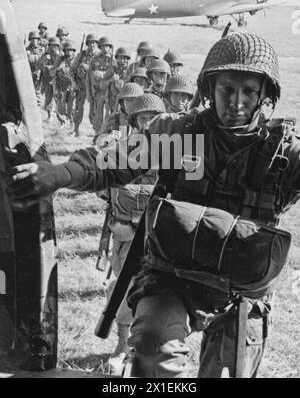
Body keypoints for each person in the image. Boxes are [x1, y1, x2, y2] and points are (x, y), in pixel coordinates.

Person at [7, 32, 300, 378]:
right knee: (152, 351)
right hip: (175, 275)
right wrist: (62, 173)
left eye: (249, 91)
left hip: (241, 290)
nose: (237, 102)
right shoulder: (181, 134)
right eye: (227, 89)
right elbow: (113, 161)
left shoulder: (284, 153)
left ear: (265, 95)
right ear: (209, 88)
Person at [97, 92, 166, 376]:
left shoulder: (177, 153)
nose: (149, 123)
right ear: (135, 122)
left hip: (160, 238)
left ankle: (147, 352)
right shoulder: (120, 150)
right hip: (126, 235)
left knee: (160, 296)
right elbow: (103, 188)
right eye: (143, 119)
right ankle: (122, 346)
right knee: (124, 289)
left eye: (154, 119)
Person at [72, 34, 100, 136]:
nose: (92, 45)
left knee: (94, 110)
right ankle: (76, 130)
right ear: (87, 44)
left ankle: (96, 133)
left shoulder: (100, 56)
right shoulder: (81, 55)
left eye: (94, 43)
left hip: (94, 88)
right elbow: (72, 70)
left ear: (97, 44)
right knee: (78, 108)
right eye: (90, 43)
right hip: (81, 86)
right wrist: (73, 82)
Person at [86, 37, 114, 139]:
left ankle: (107, 135)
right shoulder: (95, 60)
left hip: (110, 92)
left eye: (107, 46)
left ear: (110, 47)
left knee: (109, 114)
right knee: (97, 114)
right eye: (102, 46)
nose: (104, 48)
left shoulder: (113, 60)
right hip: (98, 92)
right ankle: (97, 135)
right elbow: (88, 77)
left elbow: (116, 75)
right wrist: (89, 93)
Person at [34, 36, 62, 120]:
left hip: (58, 81)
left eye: (55, 45)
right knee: (48, 99)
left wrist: (52, 68)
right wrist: (44, 60)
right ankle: (49, 116)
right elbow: (37, 65)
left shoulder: (61, 56)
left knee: (59, 100)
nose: (53, 47)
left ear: (58, 46)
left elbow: (63, 67)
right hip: (48, 81)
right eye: (52, 45)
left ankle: (61, 118)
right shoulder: (46, 55)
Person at [103, 47, 131, 116]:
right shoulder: (112, 69)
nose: (122, 60)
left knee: (123, 122)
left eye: (124, 58)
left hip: (124, 101)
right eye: (120, 58)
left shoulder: (130, 71)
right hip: (112, 102)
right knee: (110, 121)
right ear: (117, 58)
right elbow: (102, 84)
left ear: (127, 59)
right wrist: (111, 79)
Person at [55, 40, 77, 126]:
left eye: (70, 50)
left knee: (71, 106)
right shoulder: (61, 60)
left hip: (72, 86)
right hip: (62, 86)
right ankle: (62, 122)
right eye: (67, 50)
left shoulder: (76, 61)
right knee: (61, 105)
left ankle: (72, 123)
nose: (69, 52)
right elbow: (56, 69)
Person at [26, 31, 44, 104]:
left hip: (39, 71)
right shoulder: (26, 49)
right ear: (30, 39)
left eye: (36, 39)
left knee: (38, 86)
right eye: (32, 39)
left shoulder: (41, 50)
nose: (34, 41)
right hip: (29, 71)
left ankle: (38, 100)